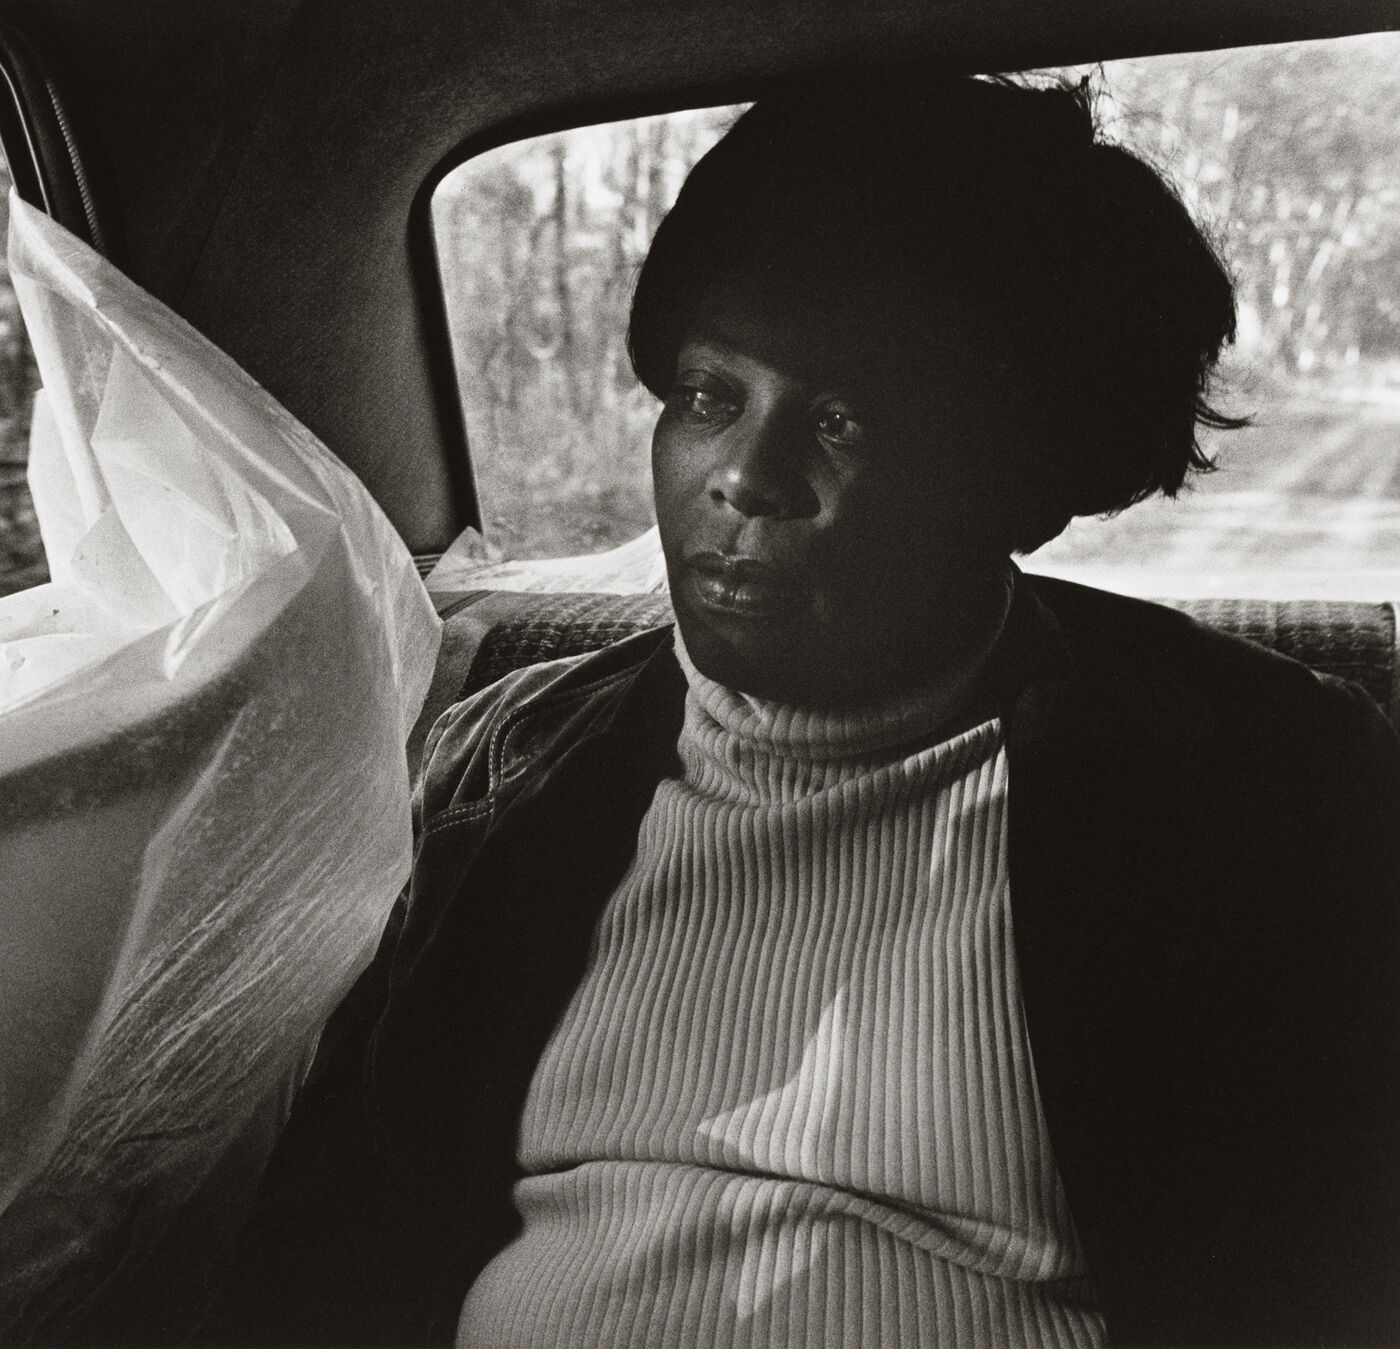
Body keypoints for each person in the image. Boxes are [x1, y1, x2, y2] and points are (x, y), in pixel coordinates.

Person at [199, 75, 1400, 1348]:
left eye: (840, 419)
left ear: (1031, 479)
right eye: (709, 395)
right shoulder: (512, 764)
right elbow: (325, 1246)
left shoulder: (1257, 783)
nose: (743, 478)